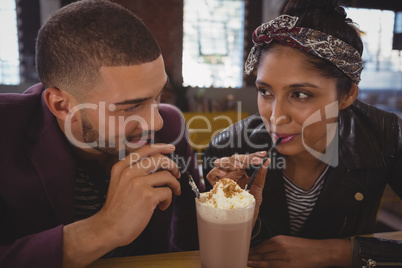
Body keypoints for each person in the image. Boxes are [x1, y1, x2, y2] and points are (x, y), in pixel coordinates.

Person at [0, 1, 201, 267]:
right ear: (62, 106)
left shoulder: (171, 127)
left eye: (158, 95)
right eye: (131, 107)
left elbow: (192, 220)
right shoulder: (7, 129)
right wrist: (104, 228)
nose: (156, 121)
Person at [203, 0, 402, 267]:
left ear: (347, 95)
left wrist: (340, 252)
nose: (275, 117)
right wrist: (237, 221)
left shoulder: (387, 136)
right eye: (265, 91)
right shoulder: (229, 149)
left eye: (300, 94)